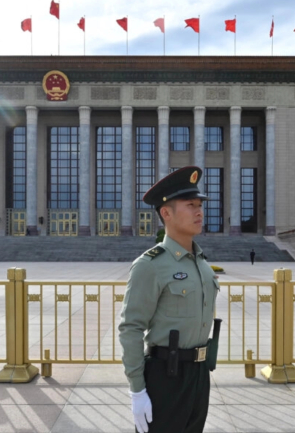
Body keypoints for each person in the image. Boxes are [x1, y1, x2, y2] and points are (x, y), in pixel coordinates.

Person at [119, 166, 219, 433]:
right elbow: (131, 327)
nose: (199, 211)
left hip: (199, 375)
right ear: (166, 213)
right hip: (166, 376)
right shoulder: (150, 265)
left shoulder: (201, 263)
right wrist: (137, 390)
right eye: (190, 205)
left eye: (200, 205)